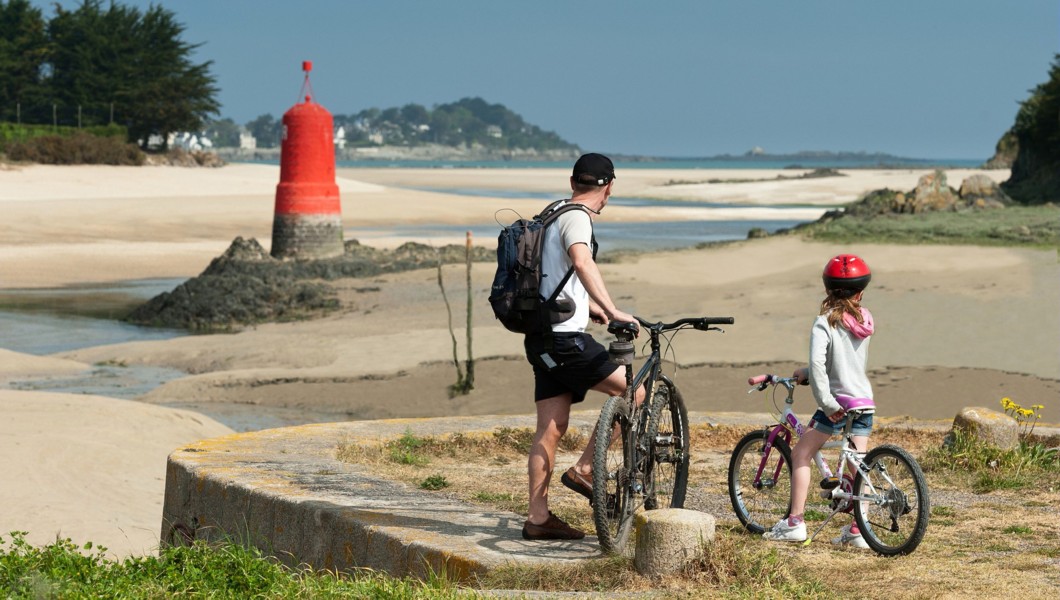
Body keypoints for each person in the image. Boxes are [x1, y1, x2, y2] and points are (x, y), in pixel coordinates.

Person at [521, 153, 642, 541]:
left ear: (573, 182)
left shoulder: (552, 211)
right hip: (565, 341)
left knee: (550, 428)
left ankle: (538, 519)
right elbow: (581, 260)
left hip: (542, 335)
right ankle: (585, 471)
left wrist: (587, 307)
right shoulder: (577, 218)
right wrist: (613, 309)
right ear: (608, 187)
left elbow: (553, 275)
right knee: (636, 394)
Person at [763, 254, 875, 549]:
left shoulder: (824, 322)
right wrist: (807, 374)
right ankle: (859, 529)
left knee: (801, 453)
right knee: (857, 463)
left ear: (827, 290)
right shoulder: (864, 319)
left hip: (838, 402)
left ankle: (794, 523)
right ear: (860, 292)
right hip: (864, 401)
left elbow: (821, 363)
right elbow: (841, 362)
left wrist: (827, 403)